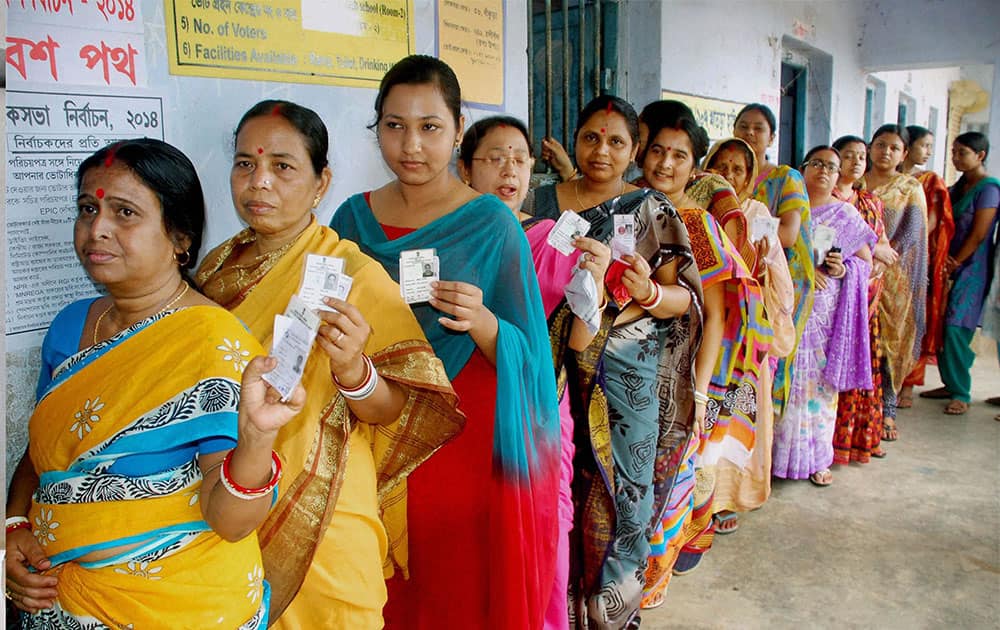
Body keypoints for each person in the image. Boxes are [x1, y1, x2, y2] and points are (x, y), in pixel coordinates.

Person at [5, 139, 305, 628]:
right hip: (59, 602)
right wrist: (14, 526)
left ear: (180, 239)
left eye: (125, 213)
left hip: (180, 607)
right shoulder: (69, 326)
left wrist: (255, 440)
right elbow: (41, 455)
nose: (97, 229)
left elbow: (230, 522)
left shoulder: (212, 343)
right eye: (87, 209)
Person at [196, 100, 464, 628]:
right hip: (224, 492)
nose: (260, 183)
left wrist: (354, 372)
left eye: (283, 166)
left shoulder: (353, 274)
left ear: (322, 183)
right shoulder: (215, 267)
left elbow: (403, 408)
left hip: (325, 509)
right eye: (245, 163)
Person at [329, 56, 560, 630]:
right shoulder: (351, 218)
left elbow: (531, 356)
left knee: (455, 584)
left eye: (430, 127)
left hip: (464, 435)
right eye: (394, 125)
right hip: (371, 423)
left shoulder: (491, 222)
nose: (411, 144)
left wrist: (484, 324)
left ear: (458, 130)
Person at [528, 94, 702, 628]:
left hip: (627, 380)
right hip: (548, 374)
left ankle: (612, 616)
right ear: (575, 140)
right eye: (590, 138)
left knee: (621, 495)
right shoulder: (540, 201)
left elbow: (685, 301)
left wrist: (648, 292)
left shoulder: (652, 209)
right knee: (555, 491)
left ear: (634, 150)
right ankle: (555, 608)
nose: (601, 151)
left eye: (616, 142)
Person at [458, 114, 612, 630]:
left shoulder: (552, 239)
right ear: (465, 170)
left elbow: (578, 340)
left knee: (543, 535)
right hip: (463, 414)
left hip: (538, 412)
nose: (509, 170)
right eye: (494, 158)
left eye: (520, 159)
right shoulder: (449, 241)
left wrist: (593, 286)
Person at [637, 116, 771, 595]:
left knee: (667, 482)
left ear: (694, 167)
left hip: (678, 374)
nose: (665, 163)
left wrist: (698, 392)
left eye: (679, 155)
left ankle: (650, 587)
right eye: (657, 151)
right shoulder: (623, 206)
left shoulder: (698, 224)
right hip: (621, 369)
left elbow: (715, 316)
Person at [702, 137, 795, 522]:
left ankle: (728, 497)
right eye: (720, 165)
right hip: (705, 327)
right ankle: (699, 496)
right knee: (704, 410)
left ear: (750, 177)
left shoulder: (757, 213)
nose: (727, 175)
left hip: (743, 335)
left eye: (737, 169)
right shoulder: (695, 209)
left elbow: (775, 269)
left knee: (738, 411)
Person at [773, 146, 875, 487]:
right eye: (816, 163)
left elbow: (866, 263)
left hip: (824, 317)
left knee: (818, 389)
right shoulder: (786, 209)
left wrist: (842, 269)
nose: (823, 171)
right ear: (802, 169)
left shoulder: (845, 216)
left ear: (838, 175)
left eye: (831, 166)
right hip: (786, 308)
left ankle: (817, 459)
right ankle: (774, 460)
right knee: (780, 379)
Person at [733, 103, 815, 417]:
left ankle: (765, 437)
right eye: (743, 126)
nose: (750, 133)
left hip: (768, 280)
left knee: (765, 361)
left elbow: (789, 234)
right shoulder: (725, 172)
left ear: (772, 137)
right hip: (732, 277)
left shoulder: (784, 178)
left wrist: (734, 236)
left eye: (758, 128)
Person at [920, 132, 999, 414]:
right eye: (953, 152)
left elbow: (979, 233)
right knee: (940, 324)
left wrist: (956, 261)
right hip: (947, 264)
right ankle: (950, 383)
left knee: (957, 326)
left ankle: (962, 392)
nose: (955, 158)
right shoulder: (958, 186)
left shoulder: (989, 188)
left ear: (980, 155)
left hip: (972, 268)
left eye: (962, 152)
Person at [861, 124, 928, 440]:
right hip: (854, 273)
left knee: (888, 343)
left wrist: (882, 258)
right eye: (879, 144)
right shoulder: (855, 180)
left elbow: (912, 232)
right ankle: (857, 412)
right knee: (858, 340)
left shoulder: (908, 188)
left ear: (903, 154)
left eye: (893, 147)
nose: (885, 152)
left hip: (893, 278)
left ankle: (887, 410)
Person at [830, 135, 893, 463]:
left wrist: (865, 276)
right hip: (828, 298)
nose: (856, 162)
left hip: (864, 297)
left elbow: (883, 251)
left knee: (864, 364)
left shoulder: (870, 203)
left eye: (861, 156)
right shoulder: (823, 198)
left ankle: (856, 441)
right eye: (848, 155)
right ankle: (823, 447)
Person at [898, 126, 955, 408]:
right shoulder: (887, 177)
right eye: (925, 145)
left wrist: (902, 245)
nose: (929, 152)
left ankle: (908, 384)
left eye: (931, 146)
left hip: (915, 259)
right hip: (886, 256)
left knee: (914, 321)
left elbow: (929, 221)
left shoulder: (930, 181)